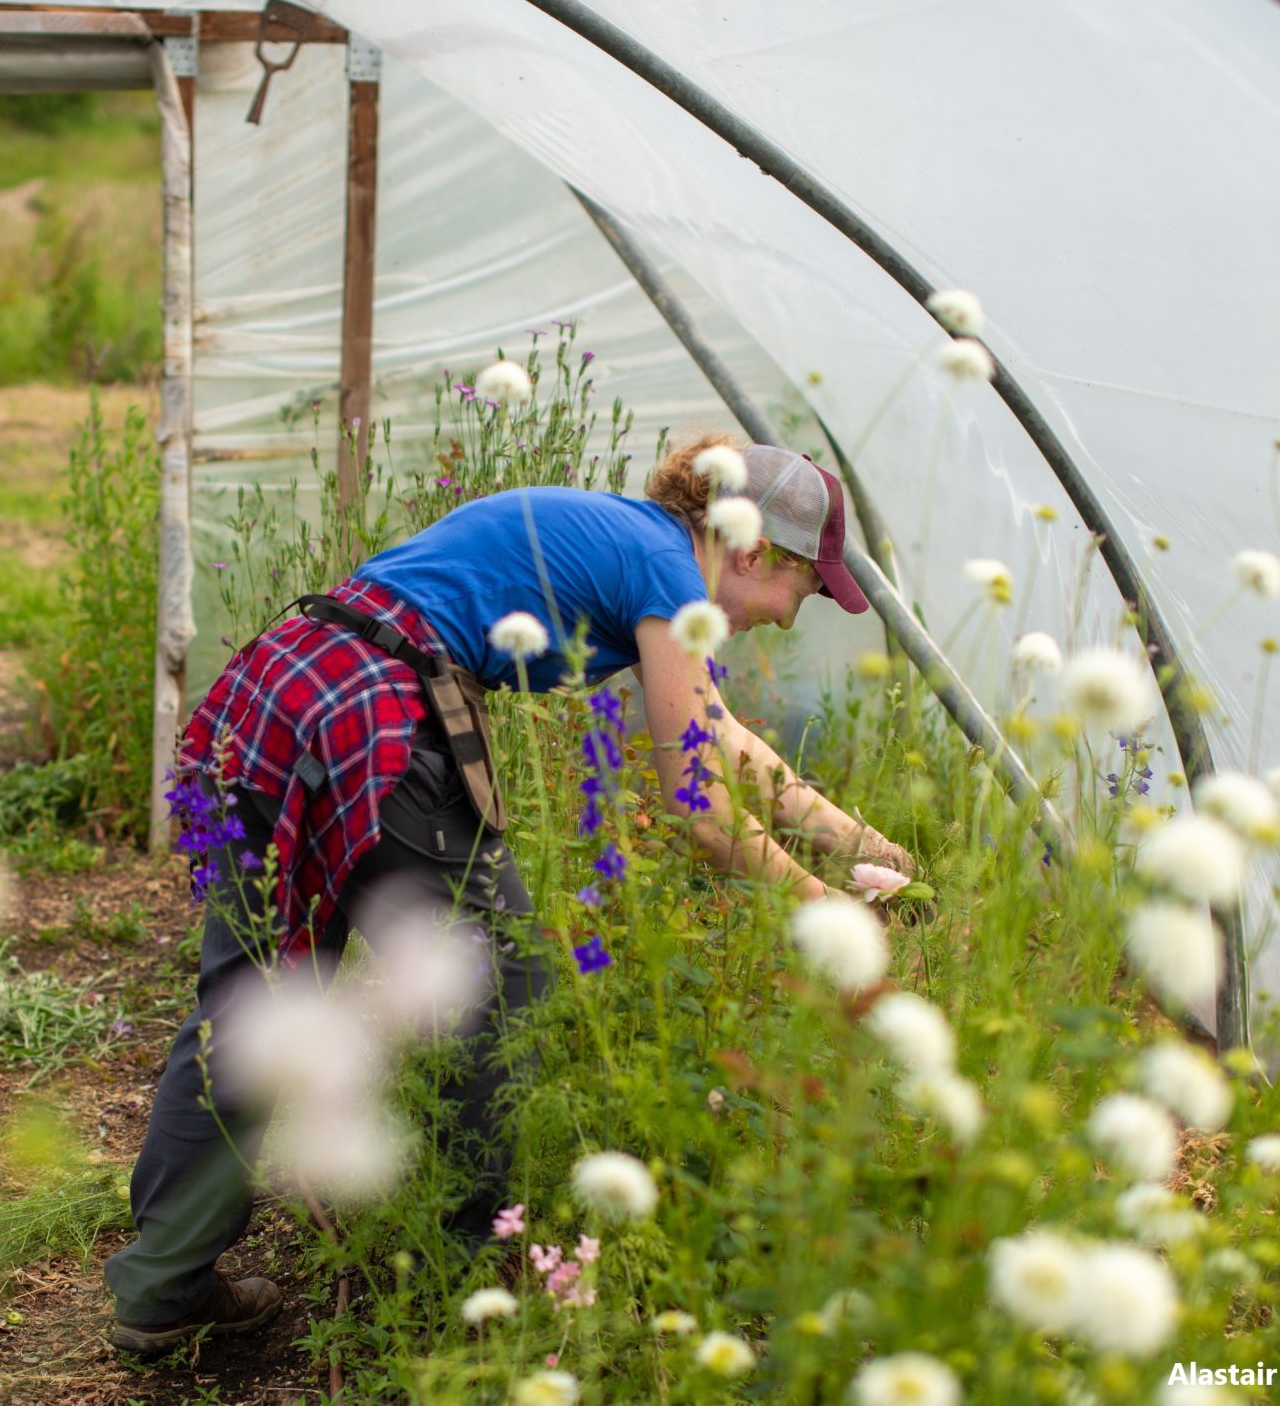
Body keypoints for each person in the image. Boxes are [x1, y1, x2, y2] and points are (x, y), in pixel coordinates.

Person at [102, 433, 914, 1358]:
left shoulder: (636, 543)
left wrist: (858, 844)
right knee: (501, 978)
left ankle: (164, 1285)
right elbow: (707, 819)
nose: (791, 618)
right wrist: (826, 909)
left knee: (251, 999)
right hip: (374, 710)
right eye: (803, 589)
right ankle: (461, 1272)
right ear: (750, 547)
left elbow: (715, 734)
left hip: (289, 684)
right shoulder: (666, 572)